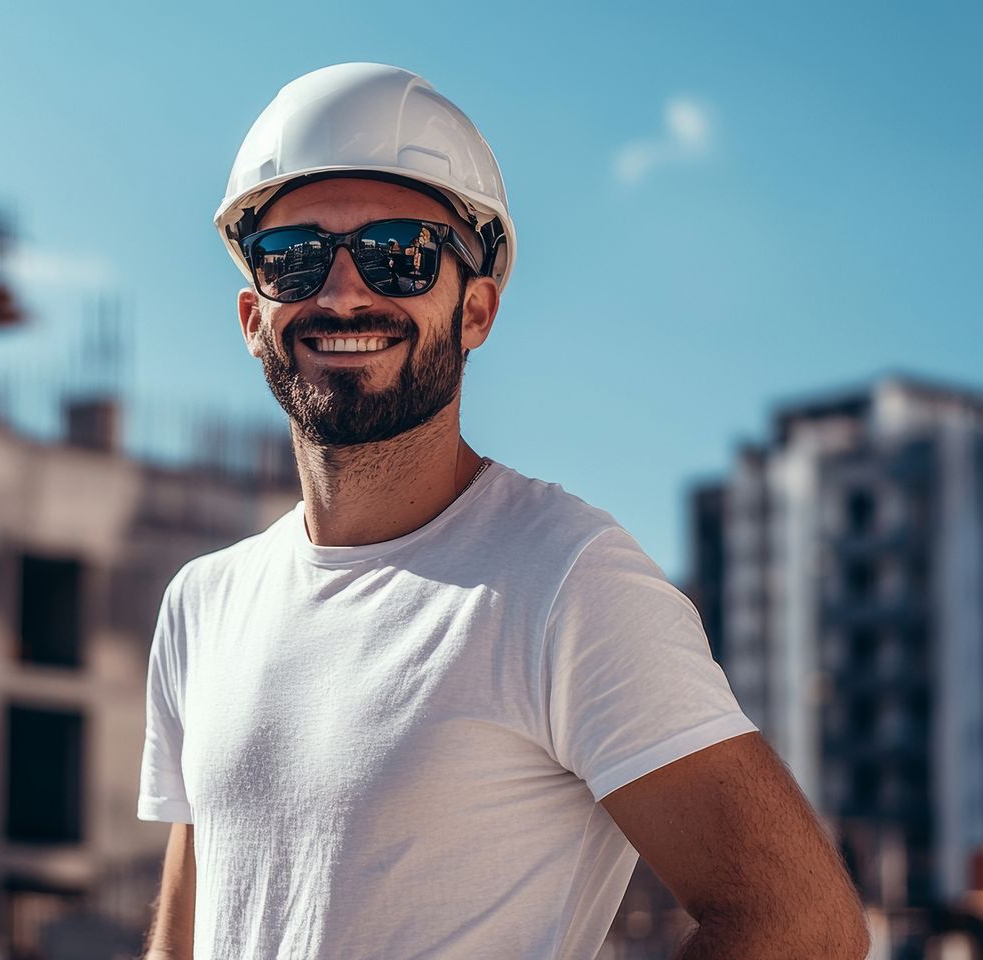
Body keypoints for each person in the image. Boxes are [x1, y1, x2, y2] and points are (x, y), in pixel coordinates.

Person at [136, 62, 868, 960]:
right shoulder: (203, 605)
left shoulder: (567, 581)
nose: (343, 292)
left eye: (397, 252)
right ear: (254, 315)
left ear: (476, 307)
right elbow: (186, 935)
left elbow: (802, 923)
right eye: (294, 257)